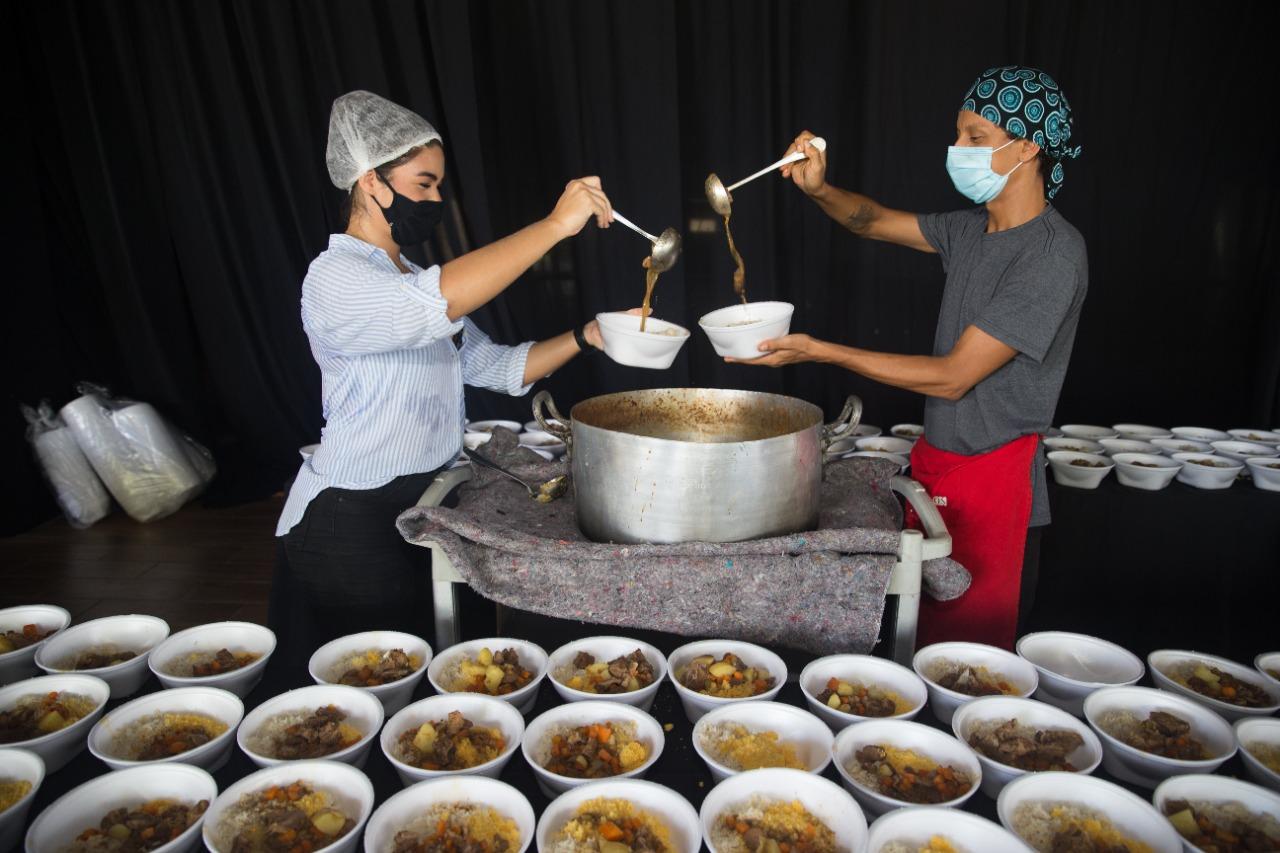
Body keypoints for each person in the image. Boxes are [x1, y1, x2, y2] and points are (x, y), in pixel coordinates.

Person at [735, 66, 1087, 650]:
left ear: (1027, 147)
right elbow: (870, 221)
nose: (958, 150)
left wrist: (821, 352)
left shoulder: (1052, 255)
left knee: (975, 668)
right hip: (940, 472)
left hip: (998, 485)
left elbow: (953, 379)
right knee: (919, 651)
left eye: (976, 137)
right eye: (957, 135)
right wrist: (820, 189)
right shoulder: (971, 230)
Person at [270, 90, 619, 664]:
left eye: (438, 186)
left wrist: (588, 336)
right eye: (422, 184)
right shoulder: (334, 276)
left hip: (423, 502)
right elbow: (429, 305)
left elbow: (500, 368)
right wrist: (556, 226)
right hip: (348, 517)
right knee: (376, 683)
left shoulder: (413, 278)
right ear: (369, 182)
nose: (435, 198)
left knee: (435, 668)